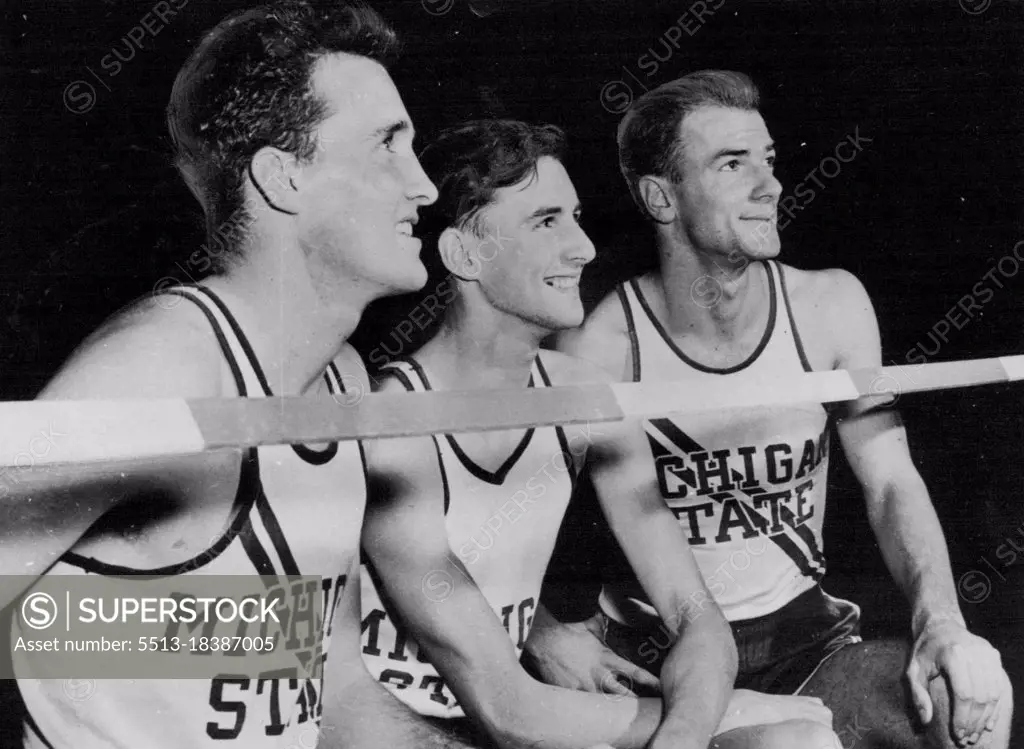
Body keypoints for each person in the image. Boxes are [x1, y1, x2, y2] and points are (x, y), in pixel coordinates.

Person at [1, 3, 490, 747]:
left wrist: (98, 640)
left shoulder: (346, 382)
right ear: (283, 177)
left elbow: (340, 692)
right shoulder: (157, 371)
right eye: (388, 145)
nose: (425, 187)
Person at [523, 70, 1013, 749]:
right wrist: (542, 632)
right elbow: (490, 517)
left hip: (807, 639)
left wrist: (942, 618)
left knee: (972, 693)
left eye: (770, 161)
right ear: (661, 197)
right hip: (657, 660)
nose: (771, 185)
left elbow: (891, 480)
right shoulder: (599, 346)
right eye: (732, 164)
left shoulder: (830, 307)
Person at [356, 118, 843, 749]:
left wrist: (688, 734)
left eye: (576, 217)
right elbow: (508, 713)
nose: (583, 248)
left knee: (797, 733)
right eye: (546, 222)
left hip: (517, 713)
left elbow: (699, 621)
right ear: (464, 254)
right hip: (406, 728)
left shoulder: (584, 397)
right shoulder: (394, 419)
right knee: (792, 733)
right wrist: (737, 715)